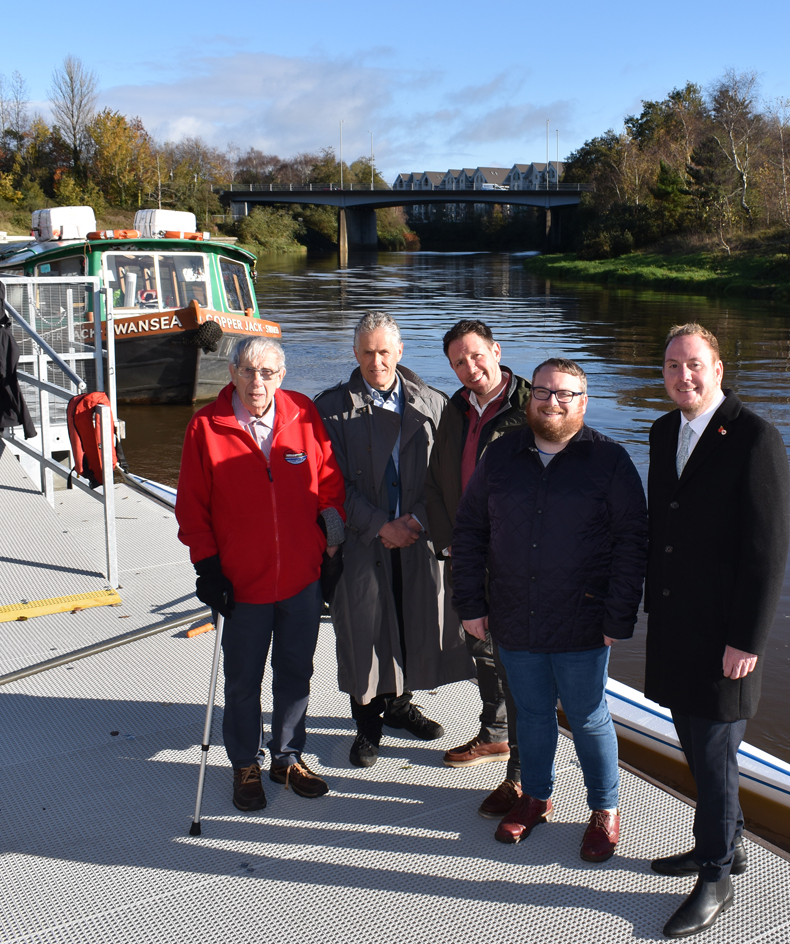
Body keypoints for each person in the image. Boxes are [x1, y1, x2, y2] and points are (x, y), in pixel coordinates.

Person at [452, 358, 647, 863]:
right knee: (534, 715)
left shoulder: (610, 461)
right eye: (543, 392)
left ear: (584, 402)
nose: (552, 402)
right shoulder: (500, 458)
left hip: (583, 619)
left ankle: (604, 809)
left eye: (565, 394)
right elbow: (470, 532)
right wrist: (471, 602)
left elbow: (632, 543)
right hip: (514, 613)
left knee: (587, 716)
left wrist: (617, 617)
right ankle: (536, 797)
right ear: (529, 396)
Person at [643, 323, 790, 938]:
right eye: (674, 365)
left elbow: (768, 551)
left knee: (715, 755)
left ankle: (715, 877)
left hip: (725, 637)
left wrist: (747, 641)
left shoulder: (755, 438)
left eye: (695, 364)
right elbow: (664, 525)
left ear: (719, 367)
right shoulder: (662, 431)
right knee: (700, 751)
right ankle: (727, 843)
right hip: (678, 625)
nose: (685, 376)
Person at [176, 335, 346, 812]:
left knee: (296, 672)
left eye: (267, 372)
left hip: (300, 578)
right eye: (248, 371)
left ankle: (288, 756)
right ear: (232, 373)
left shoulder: (303, 414)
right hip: (242, 581)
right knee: (243, 680)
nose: (258, 382)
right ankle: (244, 763)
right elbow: (192, 507)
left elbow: (329, 482)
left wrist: (330, 541)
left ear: (282, 376)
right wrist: (207, 566)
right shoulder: (205, 427)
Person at [315, 311, 471, 768]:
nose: (376, 361)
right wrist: (381, 524)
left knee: (412, 620)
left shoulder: (435, 403)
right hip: (364, 541)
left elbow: (449, 478)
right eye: (367, 352)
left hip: (418, 540)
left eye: (384, 351)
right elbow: (329, 482)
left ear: (400, 352)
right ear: (355, 353)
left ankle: (400, 707)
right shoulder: (329, 408)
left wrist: (418, 521)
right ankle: (367, 723)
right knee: (363, 631)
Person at [424, 319, 532, 819]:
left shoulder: (531, 405)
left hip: (517, 563)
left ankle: (522, 779)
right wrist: (449, 545)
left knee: (520, 665)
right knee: (481, 650)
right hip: (467, 555)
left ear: (496, 349)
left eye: (475, 356)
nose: (470, 368)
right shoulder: (455, 408)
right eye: (458, 362)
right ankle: (494, 734)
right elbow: (437, 480)